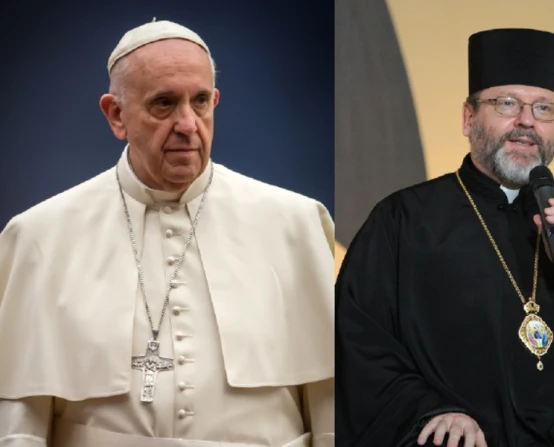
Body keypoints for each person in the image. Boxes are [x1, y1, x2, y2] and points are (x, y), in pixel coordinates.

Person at [0, 19, 334, 447]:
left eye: (200, 102)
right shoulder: (39, 237)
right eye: (164, 104)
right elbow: (18, 419)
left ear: (215, 101)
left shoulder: (295, 223)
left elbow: (331, 401)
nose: (188, 124)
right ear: (116, 115)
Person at [335, 28, 554, 447]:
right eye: (507, 103)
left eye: (544, 108)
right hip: (459, 439)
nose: (526, 120)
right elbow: (359, 344)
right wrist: (431, 410)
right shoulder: (403, 221)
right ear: (469, 118)